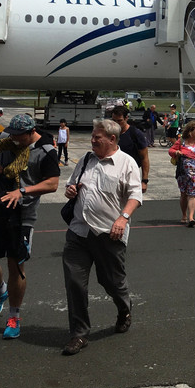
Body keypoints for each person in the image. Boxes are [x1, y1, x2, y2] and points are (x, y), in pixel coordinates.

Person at [60, 118, 142, 356]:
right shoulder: (86, 159)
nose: (92, 140)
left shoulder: (127, 163)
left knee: (112, 282)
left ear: (112, 139)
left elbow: (135, 195)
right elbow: (71, 184)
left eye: (97, 137)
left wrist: (123, 218)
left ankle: (123, 309)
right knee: (75, 282)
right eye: (93, 136)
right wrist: (70, 190)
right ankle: (79, 334)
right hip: (78, 231)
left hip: (109, 234)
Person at [0, 113, 61, 339]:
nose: (13, 139)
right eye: (11, 134)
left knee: (16, 264)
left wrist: (22, 191)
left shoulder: (45, 149)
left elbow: (52, 183)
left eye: (18, 136)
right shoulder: (7, 137)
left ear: (30, 132)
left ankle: (14, 316)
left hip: (23, 213)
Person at [110, 105, 149, 193]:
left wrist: (144, 180)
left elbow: (144, 158)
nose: (116, 123)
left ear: (126, 118)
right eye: (114, 121)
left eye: (120, 121)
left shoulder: (135, 134)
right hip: (111, 174)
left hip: (130, 175)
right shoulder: (110, 133)